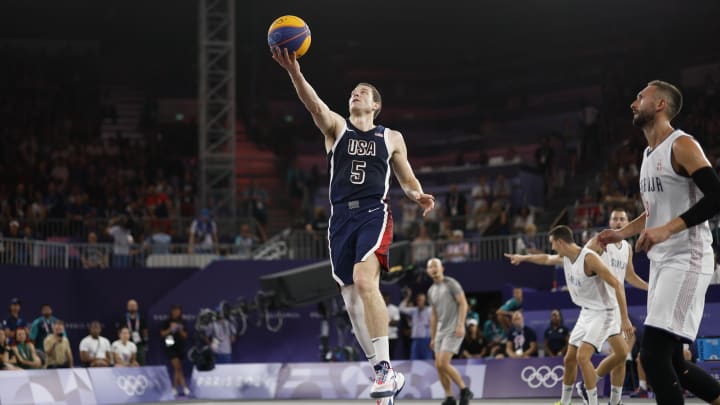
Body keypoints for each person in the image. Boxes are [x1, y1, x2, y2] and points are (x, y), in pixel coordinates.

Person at [272, 46, 435, 400]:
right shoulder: (337, 129)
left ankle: (388, 370)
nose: (355, 93)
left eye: (363, 92)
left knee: (364, 281)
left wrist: (417, 194)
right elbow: (313, 104)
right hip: (340, 218)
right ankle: (381, 374)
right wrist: (294, 72)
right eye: (352, 92)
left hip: (374, 212)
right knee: (349, 298)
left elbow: (406, 178)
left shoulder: (391, 137)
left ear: (376, 105)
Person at [598, 80, 720, 405]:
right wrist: (621, 233)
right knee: (675, 364)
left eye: (640, 97)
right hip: (662, 261)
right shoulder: (648, 154)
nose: (633, 103)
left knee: (651, 356)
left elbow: (717, 196)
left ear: (660, 105)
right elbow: (652, 212)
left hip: (687, 258)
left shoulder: (682, 145)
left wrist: (667, 230)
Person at [505, 225, 633, 405]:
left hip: (604, 313)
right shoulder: (566, 257)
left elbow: (617, 285)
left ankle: (593, 401)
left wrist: (625, 318)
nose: (553, 248)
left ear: (560, 242)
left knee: (583, 357)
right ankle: (565, 402)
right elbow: (545, 259)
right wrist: (522, 258)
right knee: (570, 359)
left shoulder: (589, 258)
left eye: (553, 244)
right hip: (586, 312)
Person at [584, 207, 649, 405]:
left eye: (622, 219)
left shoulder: (627, 248)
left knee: (621, 355)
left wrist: (650, 288)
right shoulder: (600, 241)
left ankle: (614, 400)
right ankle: (590, 383)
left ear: (628, 223)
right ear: (610, 223)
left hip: (616, 305)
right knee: (621, 353)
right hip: (600, 306)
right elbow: (582, 258)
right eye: (615, 219)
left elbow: (629, 276)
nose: (619, 222)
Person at [426, 258, 474, 405]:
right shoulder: (431, 291)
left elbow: (463, 303)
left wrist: (460, 324)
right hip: (440, 331)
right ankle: (449, 397)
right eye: (430, 267)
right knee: (438, 366)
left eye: (436, 266)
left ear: (442, 268)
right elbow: (434, 315)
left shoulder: (451, 283)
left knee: (444, 363)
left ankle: (464, 390)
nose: (433, 269)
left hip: (454, 328)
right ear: (428, 271)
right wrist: (433, 337)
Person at [161, 305, 189, 397]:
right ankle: (184, 387)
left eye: (178, 310)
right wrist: (170, 328)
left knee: (178, 368)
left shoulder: (183, 322)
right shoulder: (167, 321)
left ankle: (175, 388)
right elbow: (162, 334)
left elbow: (185, 336)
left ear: (180, 312)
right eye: (175, 310)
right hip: (170, 345)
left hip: (180, 347)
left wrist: (180, 329)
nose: (176, 312)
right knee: (177, 367)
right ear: (172, 311)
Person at [399, 290, 433, 360]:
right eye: (418, 300)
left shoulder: (430, 310)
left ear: (425, 301)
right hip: (416, 340)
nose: (420, 302)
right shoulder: (414, 311)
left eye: (422, 300)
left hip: (426, 340)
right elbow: (401, 308)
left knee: (428, 361)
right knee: (414, 361)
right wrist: (408, 297)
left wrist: (433, 339)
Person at [118, 299, 148, 365]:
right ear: (127, 307)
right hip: (126, 343)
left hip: (139, 344)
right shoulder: (123, 318)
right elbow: (119, 331)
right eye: (130, 305)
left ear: (137, 307)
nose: (132, 307)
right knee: (127, 362)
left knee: (141, 362)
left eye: (134, 305)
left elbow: (145, 331)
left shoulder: (141, 318)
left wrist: (145, 342)